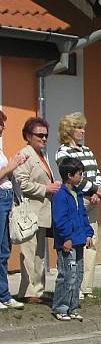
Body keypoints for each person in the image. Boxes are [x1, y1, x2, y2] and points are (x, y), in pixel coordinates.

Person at [55, 112, 101, 300]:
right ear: (69, 130)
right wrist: (93, 189)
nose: (83, 131)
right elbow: (73, 177)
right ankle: (74, 288)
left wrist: (98, 192)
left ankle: (87, 287)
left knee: (91, 242)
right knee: (76, 242)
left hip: (93, 200)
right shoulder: (63, 152)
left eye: (83, 127)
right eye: (79, 127)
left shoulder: (88, 150)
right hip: (77, 200)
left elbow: (96, 172)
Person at [13, 117, 61, 304]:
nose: (44, 138)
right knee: (29, 252)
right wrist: (45, 189)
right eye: (39, 135)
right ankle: (28, 291)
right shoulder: (25, 155)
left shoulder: (41, 154)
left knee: (40, 253)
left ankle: (38, 290)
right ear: (28, 135)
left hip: (41, 212)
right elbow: (21, 183)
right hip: (29, 212)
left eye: (46, 135)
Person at [50, 157, 94, 321]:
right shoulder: (60, 195)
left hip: (79, 241)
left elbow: (83, 216)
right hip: (67, 243)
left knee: (78, 275)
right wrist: (66, 238)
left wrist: (88, 233)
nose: (81, 177)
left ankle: (73, 307)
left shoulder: (78, 193)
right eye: (79, 174)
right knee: (67, 275)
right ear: (69, 175)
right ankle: (60, 308)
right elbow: (59, 220)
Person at [0, 110, 28, 311]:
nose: (2, 128)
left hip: (6, 198)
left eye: (2, 124)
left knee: (4, 250)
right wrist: (12, 165)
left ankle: (4, 294)